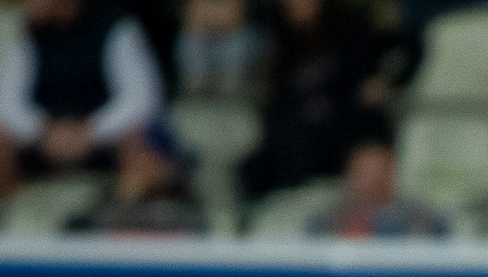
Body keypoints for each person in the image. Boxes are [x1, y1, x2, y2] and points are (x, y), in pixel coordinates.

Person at [0, 0, 164, 207]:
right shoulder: (28, 34)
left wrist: (91, 132)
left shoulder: (116, 27)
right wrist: (44, 132)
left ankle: (121, 216)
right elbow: (5, 103)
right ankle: (2, 223)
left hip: (103, 143)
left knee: (141, 144)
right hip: (44, 144)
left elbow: (140, 98)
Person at [237, 0, 412, 202]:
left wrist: (384, 80)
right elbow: (276, 105)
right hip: (293, 146)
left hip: (343, 130)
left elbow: (400, 52)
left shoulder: (350, 32)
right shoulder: (273, 39)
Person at [65, 124, 205, 233]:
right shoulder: (97, 196)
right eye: (132, 154)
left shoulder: (181, 212)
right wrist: (125, 195)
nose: (139, 164)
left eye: (151, 158)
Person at [306, 130, 446, 237]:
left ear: (391, 172)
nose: (372, 179)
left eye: (378, 170)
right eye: (365, 171)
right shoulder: (327, 219)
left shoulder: (424, 219)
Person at [176, 0, 260, 99]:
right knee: (189, 41)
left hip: (228, 42)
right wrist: (216, 21)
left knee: (240, 42)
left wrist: (210, 21)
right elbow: (192, 22)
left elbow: (235, 21)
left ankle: (228, 86)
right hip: (202, 42)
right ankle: (196, 84)